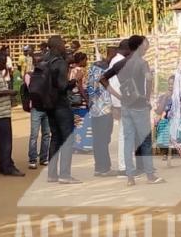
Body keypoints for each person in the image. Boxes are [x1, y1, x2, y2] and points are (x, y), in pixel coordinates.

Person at [101, 35, 165, 186]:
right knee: (145, 140)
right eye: (145, 46)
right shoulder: (142, 63)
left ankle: (130, 177)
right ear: (140, 47)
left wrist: (118, 95)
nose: (146, 49)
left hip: (126, 105)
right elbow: (149, 80)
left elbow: (103, 78)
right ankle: (150, 176)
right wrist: (147, 99)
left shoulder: (120, 64)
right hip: (139, 105)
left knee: (128, 141)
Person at [42, 36, 80, 184]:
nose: (66, 47)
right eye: (63, 44)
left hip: (48, 105)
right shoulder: (60, 63)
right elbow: (63, 86)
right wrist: (75, 80)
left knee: (55, 138)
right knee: (67, 139)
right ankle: (65, 174)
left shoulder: (44, 60)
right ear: (58, 46)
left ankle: (52, 174)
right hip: (61, 105)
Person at [0, 51, 25, 177]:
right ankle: (7, 166)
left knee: (3, 140)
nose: (5, 65)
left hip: (2, 111)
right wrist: (8, 92)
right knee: (6, 140)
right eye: (3, 62)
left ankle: (2, 165)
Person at [155, 75, 181, 160]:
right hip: (170, 120)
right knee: (163, 123)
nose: (171, 86)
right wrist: (165, 98)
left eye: (173, 84)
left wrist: (177, 117)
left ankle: (179, 149)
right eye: (169, 84)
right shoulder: (165, 96)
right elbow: (159, 112)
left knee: (180, 123)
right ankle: (165, 151)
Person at [86, 47, 114, 177]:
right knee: (104, 138)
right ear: (112, 55)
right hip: (105, 108)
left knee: (98, 139)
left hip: (94, 108)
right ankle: (104, 168)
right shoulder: (107, 70)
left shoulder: (93, 67)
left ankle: (100, 167)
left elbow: (89, 88)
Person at [23, 52, 50, 169]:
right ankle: (34, 159)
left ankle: (42, 158)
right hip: (39, 108)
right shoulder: (31, 76)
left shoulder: (30, 75)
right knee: (37, 135)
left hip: (41, 108)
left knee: (44, 135)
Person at [108, 40, 129, 177]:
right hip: (122, 104)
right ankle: (123, 167)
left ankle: (126, 165)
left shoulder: (118, 60)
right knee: (124, 136)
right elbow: (115, 86)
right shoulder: (118, 62)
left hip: (123, 103)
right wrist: (118, 105)